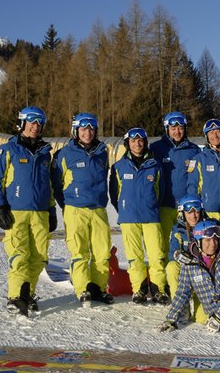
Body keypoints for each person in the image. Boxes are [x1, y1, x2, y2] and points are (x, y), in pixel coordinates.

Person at [0, 106, 56, 317]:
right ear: (22, 123)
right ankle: (15, 297)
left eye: (39, 123)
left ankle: (28, 294)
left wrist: (52, 208)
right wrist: (0, 207)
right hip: (16, 211)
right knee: (19, 255)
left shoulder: (46, 152)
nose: (35, 127)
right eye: (32, 122)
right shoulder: (9, 149)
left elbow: (50, 184)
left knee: (38, 257)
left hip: (40, 212)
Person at [51, 112, 113, 307]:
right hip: (75, 209)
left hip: (98, 210)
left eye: (91, 129)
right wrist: (67, 204)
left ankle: (98, 288)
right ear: (75, 131)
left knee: (102, 252)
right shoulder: (64, 154)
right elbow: (55, 183)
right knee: (79, 252)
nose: (88, 132)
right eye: (84, 129)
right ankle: (82, 289)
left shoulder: (102, 152)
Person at [109, 127, 169, 305]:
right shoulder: (119, 167)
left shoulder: (155, 166)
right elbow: (114, 194)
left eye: (141, 140)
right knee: (134, 257)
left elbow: (161, 191)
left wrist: (151, 206)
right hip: (129, 218)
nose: (137, 143)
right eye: (133, 141)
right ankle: (139, 289)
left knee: (157, 254)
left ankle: (158, 289)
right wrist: (124, 208)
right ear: (127, 144)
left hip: (151, 217)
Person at [149, 112, 200, 243]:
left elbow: (197, 178)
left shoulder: (194, 150)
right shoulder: (156, 149)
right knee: (163, 242)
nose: (177, 132)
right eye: (173, 129)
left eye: (181, 128)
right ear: (167, 129)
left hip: (186, 208)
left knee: (185, 242)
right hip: (164, 206)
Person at [166, 194, 208, 323]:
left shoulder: (209, 227)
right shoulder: (178, 230)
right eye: (189, 212)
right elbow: (172, 252)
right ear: (182, 213)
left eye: (196, 211)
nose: (193, 216)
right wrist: (179, 255)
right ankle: (181, 307)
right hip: (185, 271)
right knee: (172, 267)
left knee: (201, 319)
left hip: (203, 273)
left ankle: (201, 303)